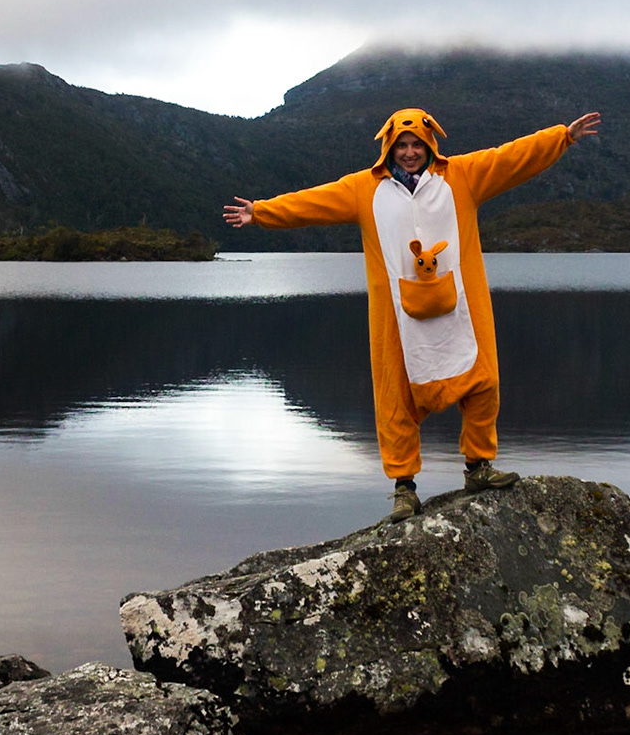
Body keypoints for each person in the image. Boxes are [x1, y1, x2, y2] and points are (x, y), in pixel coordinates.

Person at [223, 108, 601, 522]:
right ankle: (404, 489)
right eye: (401, 145)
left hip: (461, 305)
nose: (409, 152)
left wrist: (561, 137)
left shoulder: (461, 176)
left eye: (416, 144)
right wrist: (261, 212)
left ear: (429, 145)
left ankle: (478, 468)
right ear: (389, 147)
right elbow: (313, 201)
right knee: (395, 399)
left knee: (483, 383)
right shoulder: (363, 189)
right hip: (396, 313)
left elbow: (510, 158)